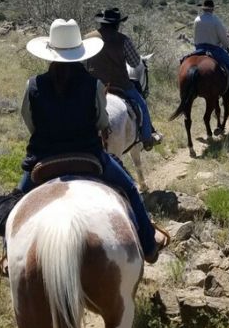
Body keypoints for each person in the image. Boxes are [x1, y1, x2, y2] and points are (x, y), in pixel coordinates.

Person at [18, 19, 162, 263]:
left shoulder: (33, 85)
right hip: (89, 155)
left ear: (50, 53)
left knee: (17, 202)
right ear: (79, 53)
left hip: (44, 158)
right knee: (129, 189)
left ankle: (9, 256)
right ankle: (148, 245)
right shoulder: (94, 85)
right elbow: (101, 122)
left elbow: (30, 122)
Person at [85, 7, 162, 150]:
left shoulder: (88, 38)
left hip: (92, 86)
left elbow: (82, 62)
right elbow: (135, 63)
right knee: (142, 105)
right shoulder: (123, 39)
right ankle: (147, 138)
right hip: (120, 84)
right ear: (117, 24)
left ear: (102, 22)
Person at [193, 0, 229, 100]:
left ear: (203, 9)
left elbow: (195, 38)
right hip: (213, 49)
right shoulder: (216, 20)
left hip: (198, 49)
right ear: (212, 9)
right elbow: (223, 39)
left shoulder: (197, 20)